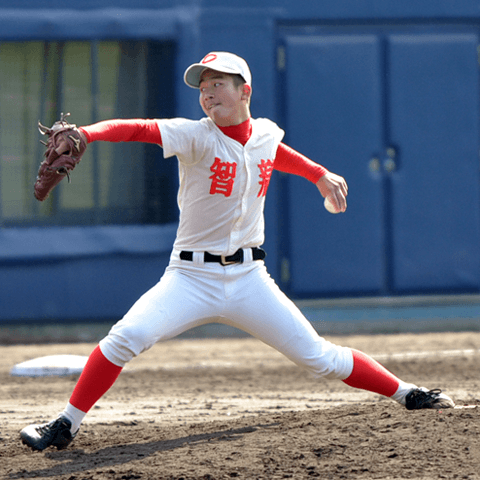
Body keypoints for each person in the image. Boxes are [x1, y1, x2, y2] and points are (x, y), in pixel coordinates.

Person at [20, 51, 454, 451]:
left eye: (218, 85)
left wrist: (318, 173)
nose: (208, 94)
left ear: (245, 90)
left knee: (320, 358)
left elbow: (270, 153)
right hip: (190, 279)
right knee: (125, 338)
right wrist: (88, 134)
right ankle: (66, 424)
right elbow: (139, 128)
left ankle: (409, 393)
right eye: (203, 88)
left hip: (249, 281)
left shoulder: (264, 134)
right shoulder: (195, 136)